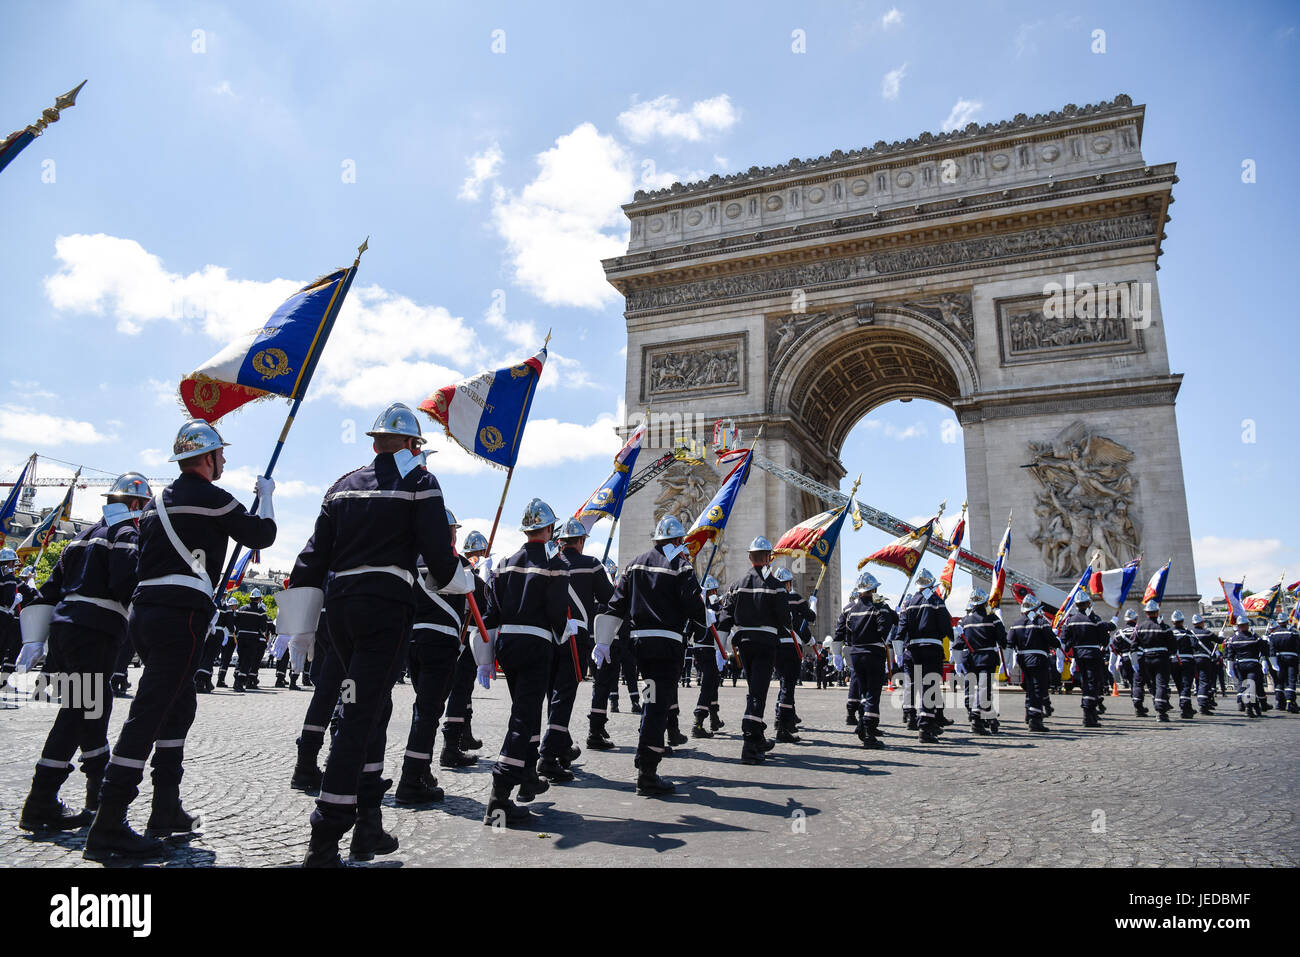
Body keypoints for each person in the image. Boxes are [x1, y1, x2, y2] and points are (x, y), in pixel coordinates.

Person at [85, 419, 276, 862]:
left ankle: (165, 808)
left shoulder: (155, 502)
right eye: (221, 454)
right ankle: (109, 823)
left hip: (147, 612)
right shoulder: (211, 497)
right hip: (181, 614)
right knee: (149, 714)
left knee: (177, 705)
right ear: (206, 458)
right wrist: (266, 496)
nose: (224, 460)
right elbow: (262, 535)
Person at [289, 402, 461, 866]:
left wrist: (298, 627)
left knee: (369, 706)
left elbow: (310, 558)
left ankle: (368, 824)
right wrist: (456, 576)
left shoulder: (341, 487)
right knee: (361, 717)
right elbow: (437, 554)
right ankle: (325, 837)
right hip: (385, 609)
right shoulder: (420, 483)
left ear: (374, 441)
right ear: (411, 445)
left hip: (339, 610)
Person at [17, 473, 150, 831]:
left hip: (63, 627)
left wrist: (32, 639)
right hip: (96, 629)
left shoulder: (81, 536)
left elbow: (48, 588)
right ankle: (41, 800)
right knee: (77, 711)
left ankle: (97, 789)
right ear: (136, 504)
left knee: (94, 707)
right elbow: (127, 582)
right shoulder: (127, 533)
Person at [594, 515, 707, 790]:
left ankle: (645, 756)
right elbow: (694, 607)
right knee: (657, 705)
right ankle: (647, 770)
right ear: (678, 541)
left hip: (640, 647)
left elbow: (616, 605)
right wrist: (699, 629)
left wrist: (604, 641)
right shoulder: (682, 567)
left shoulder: (633, 565)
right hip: (667, 648)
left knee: (650, 699)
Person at [397, 508, 495, 805]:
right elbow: (484, 605)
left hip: (411, 641)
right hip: (440, 643)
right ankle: (412, 778)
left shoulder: (409, 559)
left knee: (422, 709)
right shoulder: (459, 564)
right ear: (450, 532)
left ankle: (421, 770)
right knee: (427, 712)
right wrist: (484, 577)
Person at [482, 498, 569, 826]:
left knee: (527, 712)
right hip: (537, 644)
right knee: (524, 717)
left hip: (507, 644)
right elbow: (557, 609)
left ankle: (528, 776)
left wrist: (486, 656)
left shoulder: (505, 561)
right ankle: (499, 797)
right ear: (547, 529)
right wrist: (562, 632)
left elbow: (491, 611)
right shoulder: (555, 562)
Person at [538, 517, 611, 782]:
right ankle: (547, 755)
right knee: (564, 695)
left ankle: (561, 746)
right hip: (575, 636)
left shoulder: (548, 563)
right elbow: (609, 599)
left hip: (549, 634)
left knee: (552, 694)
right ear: (580, 541)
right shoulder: (591, 564)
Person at [718, 536, 789, 764]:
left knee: (754, 690)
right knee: (758, 693)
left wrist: (721, 646)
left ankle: (757, 736)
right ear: (769, 558)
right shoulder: (776, 586)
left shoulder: (737, 584)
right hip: (766, 644)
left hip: (744, 643)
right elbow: (784, 619)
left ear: (750, 557)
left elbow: (726, 615)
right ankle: (749, 743)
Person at [440, 530, 491, 768]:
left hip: (451, 636)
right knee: (458, 691)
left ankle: (463, 733)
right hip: (461, 636)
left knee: (463, 691)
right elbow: (481, 601)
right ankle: (450, 745)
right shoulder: (462, 568)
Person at [837, 572, 897, 748]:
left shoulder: (850, 609)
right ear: (874, 589)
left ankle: (863, 725)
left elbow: (842, 631)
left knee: (863, 693)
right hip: (873, 653)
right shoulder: (878, 607)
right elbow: (885, 628)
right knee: (872, 694)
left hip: (856, 654)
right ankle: (870, 735)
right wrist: (885, 608)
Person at [897, 568, 953, 743]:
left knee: (915, 686)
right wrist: (953, 643)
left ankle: (925, 720)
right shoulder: (937, 600)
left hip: (913, 650)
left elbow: (901, 630)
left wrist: (899, 654)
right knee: (930, 688)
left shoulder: (910, 602)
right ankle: (925, 727)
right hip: (932, 649)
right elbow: (946, 625)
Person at [957, 587, 1007, 733]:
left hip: (970, 660)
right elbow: (1003, 640)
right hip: (987, 658)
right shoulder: (993, 619)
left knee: (978, 691)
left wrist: (958, 662)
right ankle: (977, 720)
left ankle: (990, 718)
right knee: (985, 691)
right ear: (985, 602)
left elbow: (958, 644)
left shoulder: (964, 621)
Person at [773, 566, 814, 743]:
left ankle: (782, 718)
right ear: (788, 584)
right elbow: (809, 618)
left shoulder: (772, 598)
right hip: (792, 646)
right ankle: (783, 725)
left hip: (775, 646)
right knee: (788, 686)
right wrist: (812, 603)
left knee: (783, 684)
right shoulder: (795, 598)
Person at [1007, 595, 1057, 733]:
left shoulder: (1015, 623)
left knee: (1030, 688)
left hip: (1023, 659)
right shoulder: (1041, 622)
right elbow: (1053, 641)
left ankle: (1028, 714)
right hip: (1038, 659)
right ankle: (1035, 720)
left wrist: (1007, 664)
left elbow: (1009, 643)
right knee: (1037, 689)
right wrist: (1056, 637)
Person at [1060, 593, 1110, 727]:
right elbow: (1104, 640)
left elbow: (1064, 639)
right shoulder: (1095, 619)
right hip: (1094, 655)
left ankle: (1090, 714)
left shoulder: (1070, 620)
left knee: (1086, 683)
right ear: (1088, 604)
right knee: (1092, 684)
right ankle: (1089, 716)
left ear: (1076, 605)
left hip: (1079, 655)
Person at [688, 574, 725, 738]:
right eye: (714, 591)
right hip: (706, 649)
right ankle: (698, 722)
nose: (715, 593)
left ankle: (714, 718)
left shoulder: (704, 607)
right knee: (709, 683)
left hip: (701, 649)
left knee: (713, 681)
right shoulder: (706, 608)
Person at [1133, 599, 1174, 722]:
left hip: (1146, 659)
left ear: (1146, 613)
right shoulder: (1165, 627)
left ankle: (1156, 704)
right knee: (1161, 684)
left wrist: (1135, 662)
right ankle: (1160, 711)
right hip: (1161, 659)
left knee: (1152, 685)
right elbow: (1173, 646)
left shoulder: (1140, 627)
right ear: (1157, 612)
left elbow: (1133, 646)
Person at [1224, 618, 1267, 717]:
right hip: (1252, 664)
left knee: (1245, 685)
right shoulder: (1254, 637)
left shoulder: (1233, 639)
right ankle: (1249, 707)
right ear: (1247, 625)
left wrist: (1229, 667)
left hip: (1240, 665)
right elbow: (1263, 650)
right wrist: (1264, 640)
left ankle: (1252, 706)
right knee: (1250, 686)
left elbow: (1230, 654)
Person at [232, 589, 271, 692]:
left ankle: (236, 680)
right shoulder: (261, 612)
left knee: (241, 658)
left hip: (241, 637)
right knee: (247, 660)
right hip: (253, 638)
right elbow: (263, 628)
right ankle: (240, 682)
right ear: (259, 599)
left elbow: (235, 622)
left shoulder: (241, 609)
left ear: (250, 598)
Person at [1168, 610, 1198, 719]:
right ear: (1182, 621)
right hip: (1187, 661)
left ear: (1172, 622)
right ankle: (1185, 707)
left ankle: (1187, 707)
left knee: (1179, 685)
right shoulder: (1188, 633)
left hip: (1173, 661)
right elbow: (1196, 646)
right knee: (1186, 685)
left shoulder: (1169, 633)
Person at [1266, 616, 1298, 713]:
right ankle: (1290, 702)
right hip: (1292, 658)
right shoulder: (1293, 632)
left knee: (1280, 680)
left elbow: (1271, 650)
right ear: (1287, 621)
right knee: (1291, 680)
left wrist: (1273, 662)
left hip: (1279, 659)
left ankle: (1279, 702)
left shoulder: (1273, 634)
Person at [1189, 613, 1218, 714]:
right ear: (1201, 623)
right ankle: (1203, 705)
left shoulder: (1190, 633)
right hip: (1204, 659)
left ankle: (1205, 702)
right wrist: (1222, 637)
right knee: (1204, 681)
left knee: (1197, 682)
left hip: (1193, 660)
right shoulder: (1206, 632)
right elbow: (1218, 640)